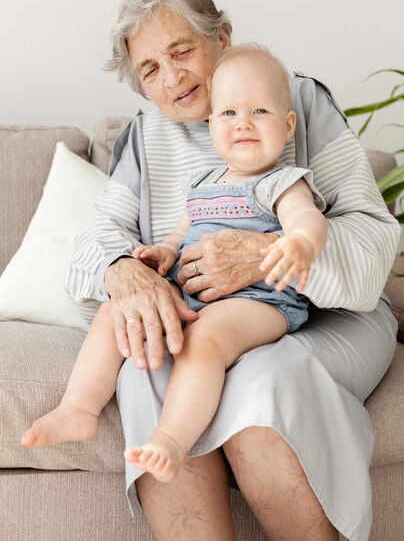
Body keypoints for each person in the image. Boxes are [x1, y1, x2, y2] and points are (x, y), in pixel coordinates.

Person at [27, 0, 401, 541]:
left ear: (221, 38)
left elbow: (373, 239)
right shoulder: (144, 135)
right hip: (208, 314)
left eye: (182, 52)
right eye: (150, 69)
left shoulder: (294, 98)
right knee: (145, 367)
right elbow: (99, 237)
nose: (172, 78)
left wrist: (268, 254)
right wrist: (123, 271)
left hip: (324, 314)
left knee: (263, 379)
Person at [22, 46, 328, 488]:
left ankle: (171, 438)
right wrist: (162, 254)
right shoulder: (203, 182)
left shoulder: (282, 181)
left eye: (259, 111)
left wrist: (298, 244)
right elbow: (177, 235)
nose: (242, 122)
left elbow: (308, 219)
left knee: (205, 338)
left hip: (258, 302)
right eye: (228, 112)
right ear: (212, 124)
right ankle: (79, 408)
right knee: (116, 310)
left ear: (287, 125)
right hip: (193, 294)